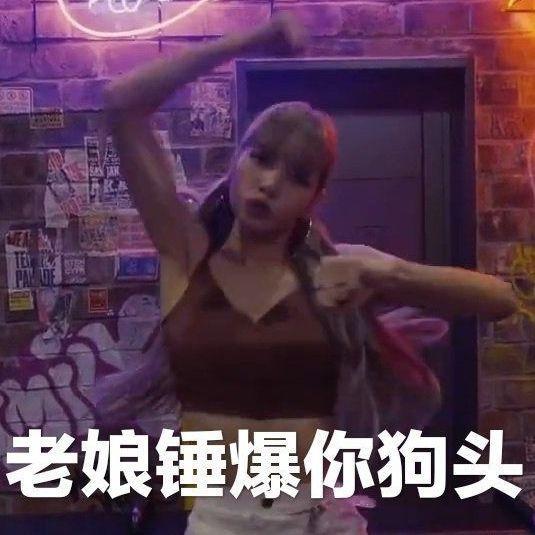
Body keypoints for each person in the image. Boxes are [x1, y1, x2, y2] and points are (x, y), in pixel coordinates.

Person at [101, 13, 519, 534]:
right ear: (236, 162)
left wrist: (391, 274)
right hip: (219, 520)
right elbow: (122, 102)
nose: (270, 183)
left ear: (315, 196)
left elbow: (500, 300)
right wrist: (249, 38)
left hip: (318, 518)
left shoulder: (337, 270)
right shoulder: (186, 255)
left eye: (297, 176)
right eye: (261, 158)